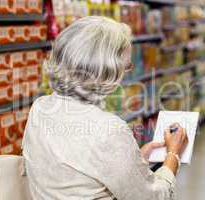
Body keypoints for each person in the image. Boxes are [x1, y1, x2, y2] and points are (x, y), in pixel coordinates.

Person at [22, 16, 188, 200]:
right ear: (106, 71)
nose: (124, 74)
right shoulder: (109, 129)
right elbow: (153, 196)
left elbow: (76, 174)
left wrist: (133, 161)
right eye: (126, 67)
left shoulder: (40, 108)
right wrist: (173, 155)